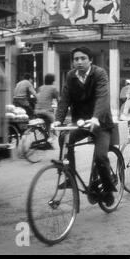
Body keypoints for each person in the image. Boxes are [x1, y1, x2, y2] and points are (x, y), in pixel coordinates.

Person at [52, 47, 116, 206]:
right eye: (76, 59)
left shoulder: (99, 73)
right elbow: (64, 100)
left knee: (101, 157)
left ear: (90, 60)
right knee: (64, 138)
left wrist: (95, 118)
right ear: (73, 61)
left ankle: (108, 189)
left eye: (83, 58)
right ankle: (70, 177)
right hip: (81, 122)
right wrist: (58, 120)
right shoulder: (70, 76)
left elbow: (102, 97)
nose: (79, 62)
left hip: (100, 122)